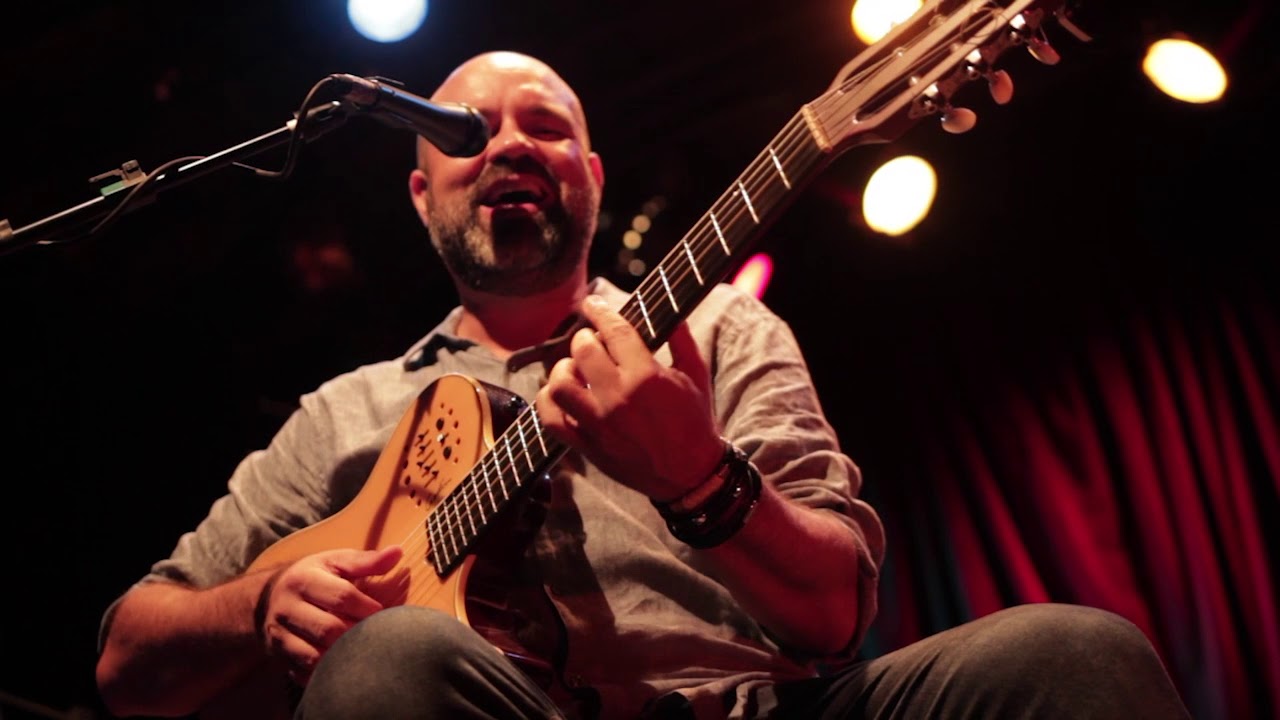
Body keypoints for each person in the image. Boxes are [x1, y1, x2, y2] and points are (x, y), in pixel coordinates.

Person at [94, 50, 1193, 720]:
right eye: (470, 135)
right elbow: (126, 663)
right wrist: (264, 601)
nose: (510, 146)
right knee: (386, 661)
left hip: (760, 710)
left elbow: (833, 615)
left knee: (1075, 653)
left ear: (592, 174)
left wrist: (697, 478)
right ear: (418, 189)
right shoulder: (345, 413)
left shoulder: (718, 325)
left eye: (548, 129)